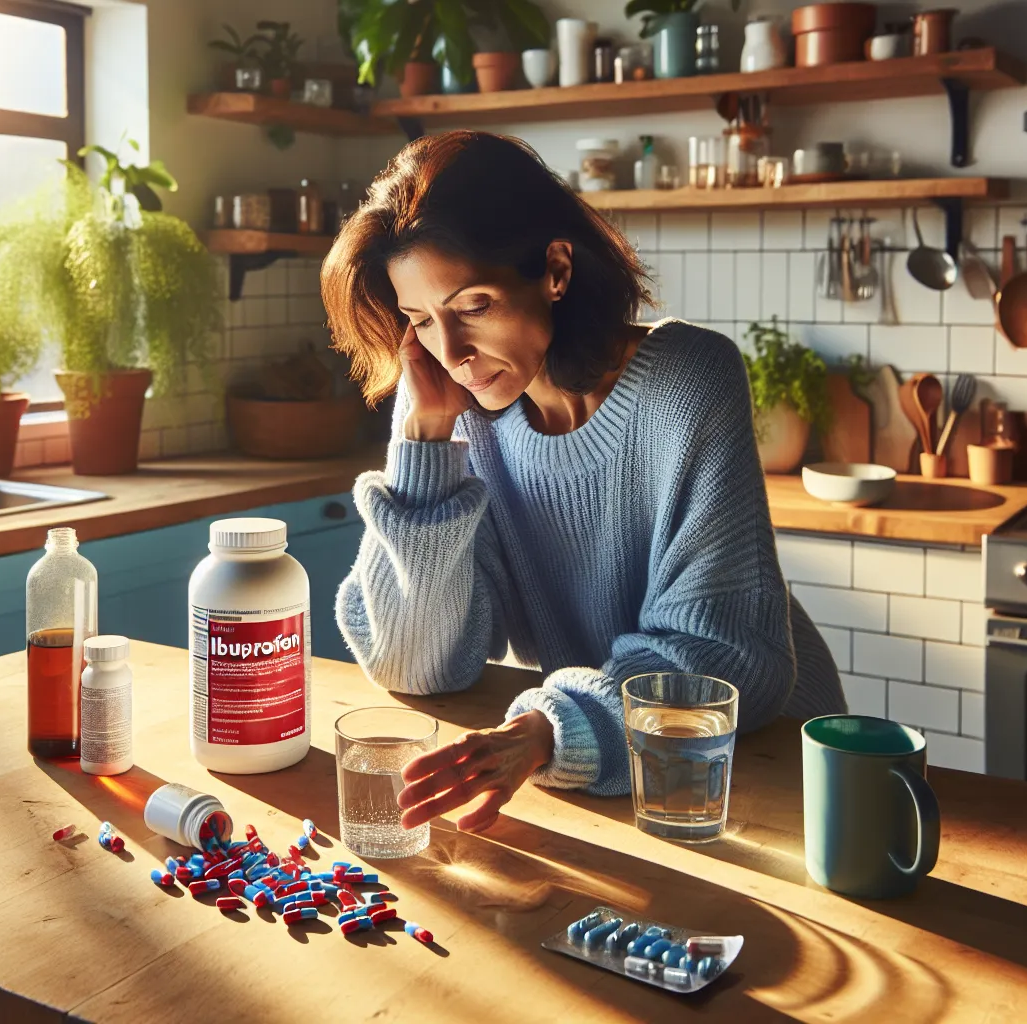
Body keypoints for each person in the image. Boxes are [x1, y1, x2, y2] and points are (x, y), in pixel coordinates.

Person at [322, 130, 844, 835]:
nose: (451, 353)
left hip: (756, 761)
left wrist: (548, 727)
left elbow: (725, 658)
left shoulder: (687, 381)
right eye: (421, 321)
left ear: (555, 269)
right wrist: (424, 444)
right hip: (595, 760)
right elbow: (416, 667)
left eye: (473, 306)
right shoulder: (457, 412)